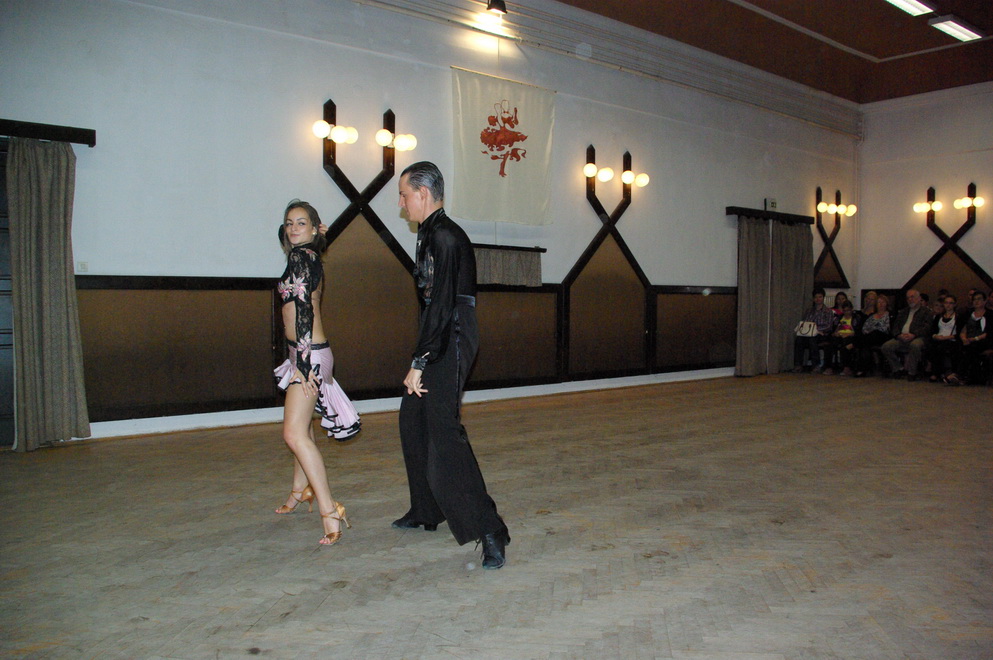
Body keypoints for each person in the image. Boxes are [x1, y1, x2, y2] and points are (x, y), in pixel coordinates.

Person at [393, 162, 509, 570]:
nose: (401, 203)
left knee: (444, 432)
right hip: (440, 328)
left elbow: (442, 304)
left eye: (404, 194)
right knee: (413, 419)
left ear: (423, 193)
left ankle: (491, 529)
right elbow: (432, 305)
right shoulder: (431, 232)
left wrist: (420, 360)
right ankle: (427, 509)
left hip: (453, 333)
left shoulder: (444, 235)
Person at [272, 199, 361, 546]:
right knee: (304, 425)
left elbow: (305, 309)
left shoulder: (301, 257)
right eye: (289, 223)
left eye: (301, 223)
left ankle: (329, 510)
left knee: (293, 433)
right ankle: (300, 489)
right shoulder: (307, 255)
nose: (293, 228)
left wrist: (305, 365)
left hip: (309, 355)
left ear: (312, 227)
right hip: (303, 353)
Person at [880, 289, 932, 380]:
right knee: (886, 347)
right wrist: (898, 335)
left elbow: (927, 327)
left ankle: (912, 372)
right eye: (908, 298)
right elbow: (895, 326)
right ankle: (898, 368)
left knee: (915, 345)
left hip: (918, 337)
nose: (910, 300)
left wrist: (914, 334)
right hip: (902, 337)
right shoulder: (903, 312)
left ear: (919, 298)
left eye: (912, 297)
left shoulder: (926, 312)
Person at [946, 290, 990, 385]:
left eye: (979, 299)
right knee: (956, 346)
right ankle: (965, 375)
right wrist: (964, 338)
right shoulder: (967, 314)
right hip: (968, 340)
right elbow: (962, 329)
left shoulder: (990, 315)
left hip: (983, 340)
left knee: (971, 348)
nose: (976, 301)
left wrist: (975, 339)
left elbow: (989, 332)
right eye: (974, 299)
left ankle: (958, 374)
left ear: (985, 301)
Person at [792, 287, 835, 372]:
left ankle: (816, 365)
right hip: (809, 333)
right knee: (799, 339)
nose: (818, 299)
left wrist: (816, 330)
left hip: (822, 334)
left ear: (823, 297)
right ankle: (798, 364)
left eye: (820, 297)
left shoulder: (828, 311)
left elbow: (829, 326)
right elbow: (805, 322)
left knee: (813, 339)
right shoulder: (809, 311)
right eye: (816, 297)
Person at [927, 294, 962, 383]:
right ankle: (936, 372)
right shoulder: (938, 316)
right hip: (939, 339)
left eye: (951, 303)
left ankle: (947, 373)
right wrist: (936, 336)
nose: (948, 305)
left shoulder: (958, 317)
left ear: (955, 304)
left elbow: (960, 333)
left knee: (943, 348)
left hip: (952, 340)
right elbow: (932, 331)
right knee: (932, 347)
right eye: (946, 303)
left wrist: (947, 337)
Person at [856, 293, 891, 376]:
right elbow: (865, 327)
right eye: (879, 302)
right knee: (865, 344)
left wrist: (873, 329)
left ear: (886, 304)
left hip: (883, 336)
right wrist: (871, 330)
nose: (881, 304)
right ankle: (863, 369)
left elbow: (885, 328)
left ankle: (861, 368)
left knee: (868, 337)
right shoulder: (872, 316)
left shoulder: (889, 315)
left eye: (883, 302)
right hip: (870, 337)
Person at [825, 300, 860, 376]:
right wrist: (835, 333)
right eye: (845, 311)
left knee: (846, 344)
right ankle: (829, 367)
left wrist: (849, 334)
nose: (847, 312)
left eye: (848, 310)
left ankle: (846, 367)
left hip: (850, 336)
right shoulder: (839, 318)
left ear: (851, 310)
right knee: (830, 345)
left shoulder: (856, 318)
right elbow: (834, 329)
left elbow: (857, 332)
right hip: (839, 336)